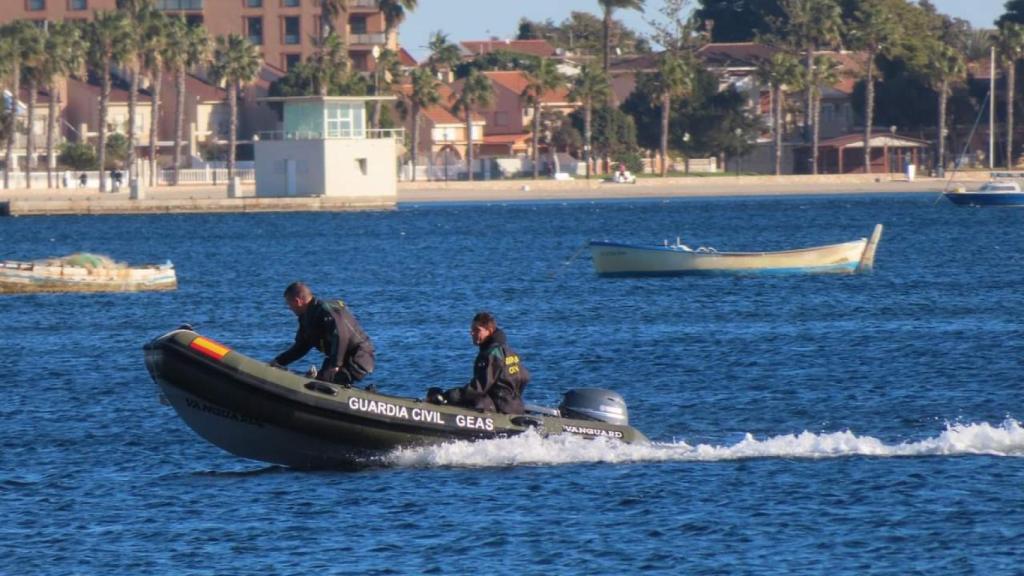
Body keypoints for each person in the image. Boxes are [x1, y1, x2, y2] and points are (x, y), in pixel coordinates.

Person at [271, 281, 375, 387]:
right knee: (320, 380)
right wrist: (277, 362)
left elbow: (341, 335)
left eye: (289, 304)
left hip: (358, 356)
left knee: (326, 382)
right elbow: (301, 347)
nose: (290, 309)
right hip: (341, 357)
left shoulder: (325, 311)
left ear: (298, 301)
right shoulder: (306, 318)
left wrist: (336, 364)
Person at [428, 312, 529, 414]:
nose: (472, 333)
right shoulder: (509, 351)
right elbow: (524, 376)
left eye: (477, 330)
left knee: (470, 398)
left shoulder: (492, 354)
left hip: (498, 407)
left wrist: (448, 396)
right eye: (472, 330)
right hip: (515, 405)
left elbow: (478, 387)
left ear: (489, 331)